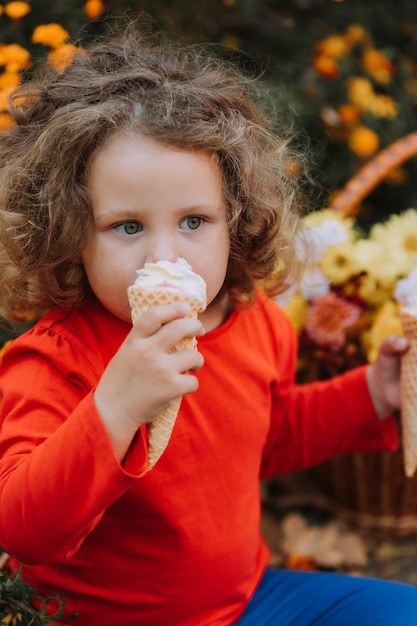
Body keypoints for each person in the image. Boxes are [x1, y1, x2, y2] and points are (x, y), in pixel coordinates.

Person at [0, 20, 415, 626]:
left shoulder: (256, 321)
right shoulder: (55, 359)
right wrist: (114, 409)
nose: (164, 256)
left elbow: (265, 439)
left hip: (247, 602)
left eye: (194, 221)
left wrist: (372, 394)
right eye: (128, 226)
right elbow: (23, 529)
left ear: (238, 219)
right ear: (69, 236)